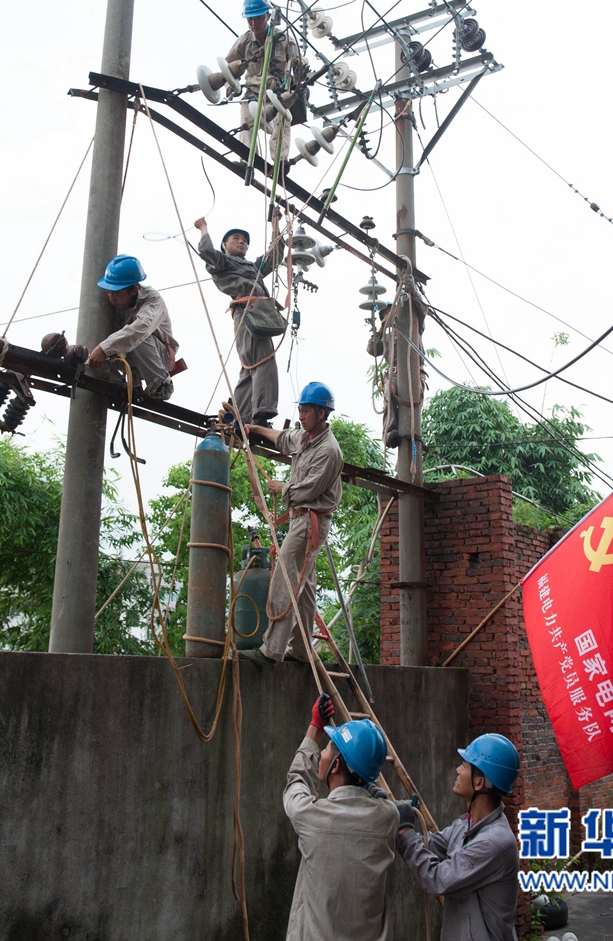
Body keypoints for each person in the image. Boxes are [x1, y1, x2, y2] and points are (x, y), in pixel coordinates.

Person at [284, 693, 398, 941]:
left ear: (335, 766)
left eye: (326, 750)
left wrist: (314, 729)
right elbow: (377, 799)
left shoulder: (311, 816)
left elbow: (296, 781)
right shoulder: (388, 817)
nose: (322, 755)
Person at [243, 382, 343, 664]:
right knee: (305, 586)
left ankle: (272, 651)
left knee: (285, 578)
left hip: (310, 521)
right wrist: (255, 429)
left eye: (306, 411)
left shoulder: (329, 451)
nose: (301, 416)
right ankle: (301, 651)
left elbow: (308, 490)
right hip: (301, 519)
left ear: (322, 413)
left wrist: (281, 488)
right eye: (300, 410)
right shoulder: (305, 437)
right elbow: (283, 438)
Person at [396, 733, 520, 941]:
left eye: (464, 765)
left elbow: (437, 878)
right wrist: (391, 814)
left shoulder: (493, 842)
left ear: (479, 782)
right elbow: (431, 844)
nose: (458, 770)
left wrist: (405, 831)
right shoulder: (467, 825)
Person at [194, 216, 284, 425]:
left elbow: (274, 256)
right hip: (248, 312)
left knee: (250, 366)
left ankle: (241, 415)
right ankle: (261, 412)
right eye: (236, 238)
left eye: (245, 240)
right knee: (263, 359)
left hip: (256, 312)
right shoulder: (223, 262)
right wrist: (203, 228)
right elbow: (208, 253)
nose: (242, 241)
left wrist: (275, 226)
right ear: (225, 245)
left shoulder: (253, 268)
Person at [225, 0, 302, 164]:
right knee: (246, 119)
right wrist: (230, 87)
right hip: (253, 92)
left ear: (268, 16)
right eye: (250, 19)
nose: (253, 23)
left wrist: (298, 81)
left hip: (277, 94)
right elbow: (229, 69)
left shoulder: (283, 40)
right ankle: (247, 161)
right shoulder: (244, 42)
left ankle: (280, 162)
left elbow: (297, 67)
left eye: (258, 18)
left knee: (282, 118)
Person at [88, 255, 178, 401]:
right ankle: (123, 383)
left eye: (116, 293)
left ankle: (161, 385)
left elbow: (141, 328)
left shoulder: (152, 300)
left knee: (139, 335)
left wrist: (103, 348)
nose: (111, 298)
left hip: (159, 356)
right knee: (104, 340)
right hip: (130, 356)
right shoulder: (112, 306)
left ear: (134, 290)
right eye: (108, 292)